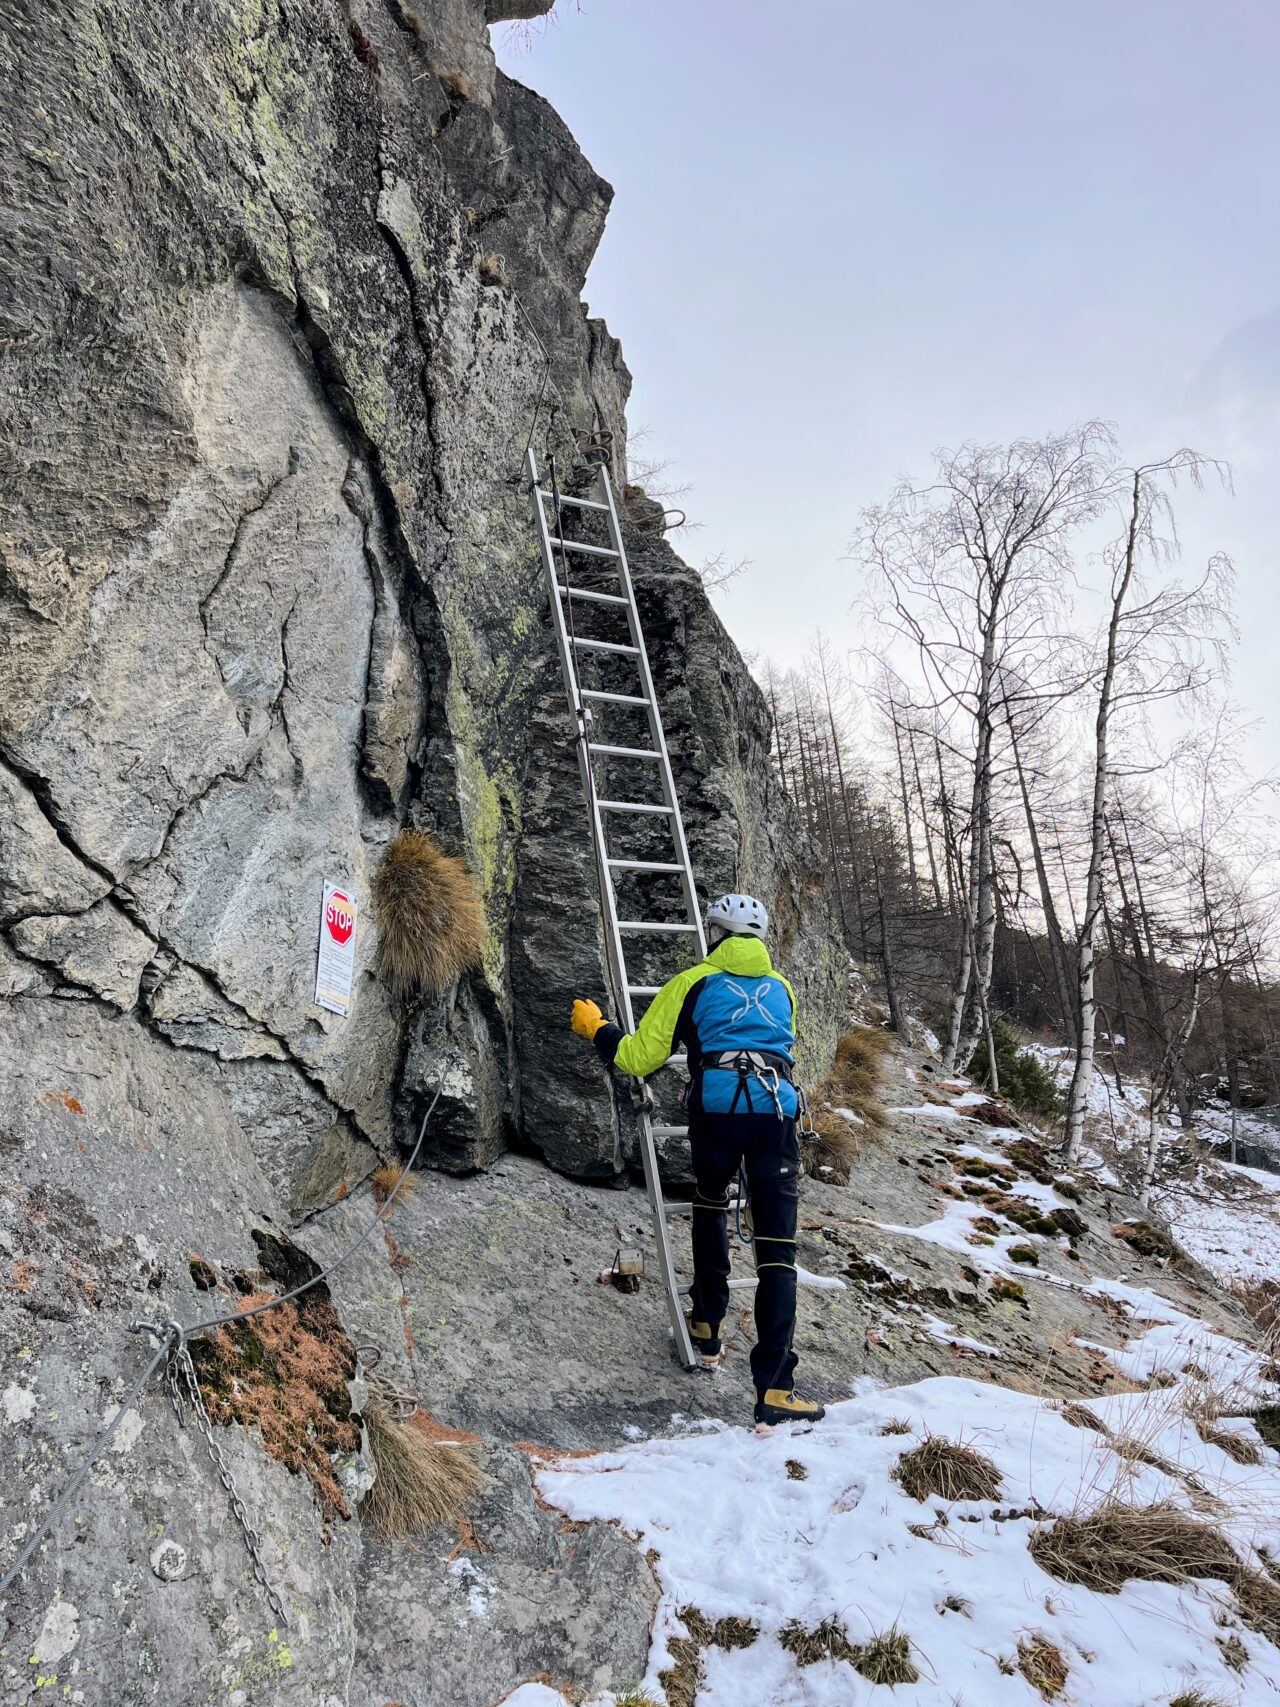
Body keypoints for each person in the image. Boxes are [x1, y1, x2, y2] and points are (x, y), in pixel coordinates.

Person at [570, 892, 825, 1426]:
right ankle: (776, 1390)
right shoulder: (783, 989)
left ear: (714, 934)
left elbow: (639, 1057)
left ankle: (707, 1321)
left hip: (717, 1116)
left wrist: (596, 1027)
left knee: (710, 1200)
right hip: (777, 1115)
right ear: (758, 939)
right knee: (778, 1252)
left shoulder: (692, 982)